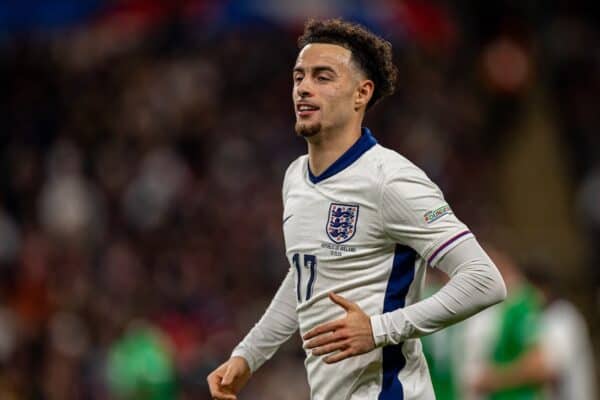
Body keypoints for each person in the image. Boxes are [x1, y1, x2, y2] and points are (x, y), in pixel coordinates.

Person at [207, 18, 507, 400]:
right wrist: (248, 356)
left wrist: (379, 330)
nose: (303, 88)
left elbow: (484, 280)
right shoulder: (296, 177)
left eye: (323, 77)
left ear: (361, 93)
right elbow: (307, 277)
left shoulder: (390, 180)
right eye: (299, 77)